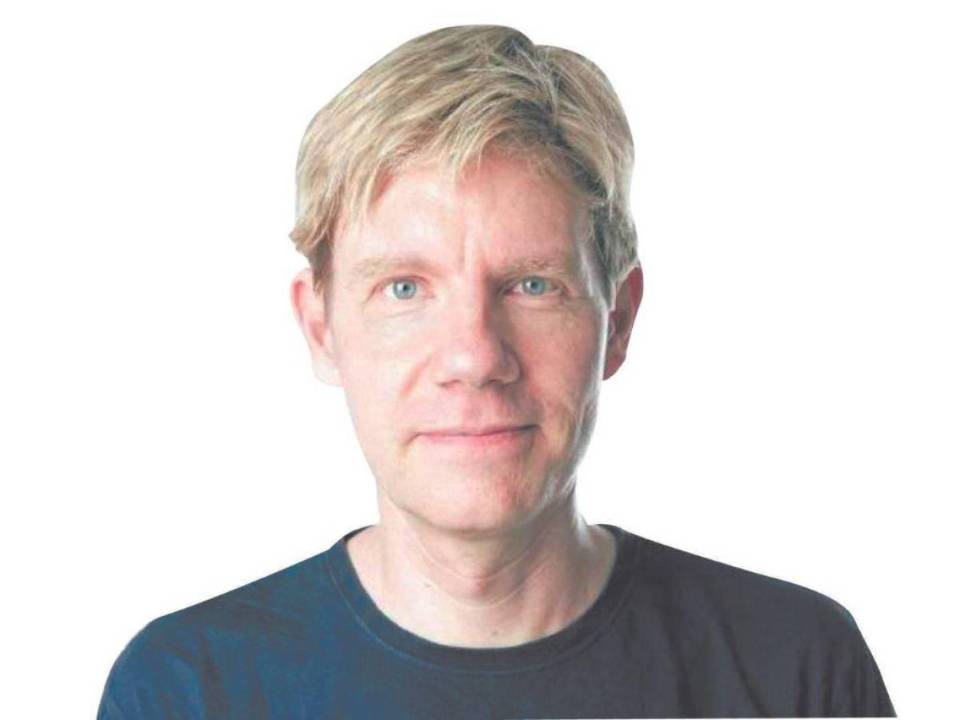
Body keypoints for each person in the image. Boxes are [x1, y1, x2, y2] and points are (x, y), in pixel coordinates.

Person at [97, 25, 894, 718]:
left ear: (618, 320)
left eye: (532, 286)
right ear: (321, 327)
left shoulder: (799, 670)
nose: (474, 357)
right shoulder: (187, 690)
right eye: (404, 288)